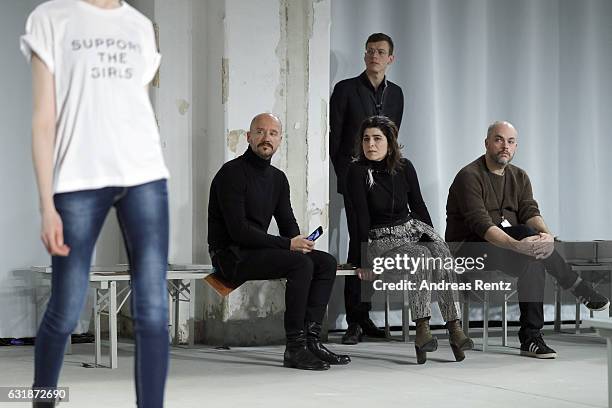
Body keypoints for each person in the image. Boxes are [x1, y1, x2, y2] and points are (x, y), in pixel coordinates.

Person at [21, 0, 170, 406]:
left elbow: (131, 107)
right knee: (67, 309)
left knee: (155, 311)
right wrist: (46, 203)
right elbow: (42, 118)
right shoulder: (51, 18)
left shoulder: (138, 25)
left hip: (145, 174)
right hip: (77, 177)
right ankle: (43, 400)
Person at [446, 120, 610, 359]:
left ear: (515, 146)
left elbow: (530, 212)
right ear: (487, 143)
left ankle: (531, 337)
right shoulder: (469, 176)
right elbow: (481, 225)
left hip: (507, 248)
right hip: (468, 250)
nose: (505, 146)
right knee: (525, 237)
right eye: (499, 139)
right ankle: (578, 286)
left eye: (511, 142)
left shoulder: (519, 176)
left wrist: (546, 236)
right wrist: (518, 244)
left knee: (534, 256)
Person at [208, 113, 350, 371]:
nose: (266, 138)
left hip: (257, 251)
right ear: (248, 137)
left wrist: (301, 243)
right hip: (230, 255)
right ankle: (295, 348)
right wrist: (288, 246)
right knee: (300, 265)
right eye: (260, 132)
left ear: (280, 140)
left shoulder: (277, 178)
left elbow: (288, 225)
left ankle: (312, 340)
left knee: (325, 262)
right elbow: (238, 231)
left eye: (273, 133)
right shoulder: (232, 173)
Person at [346, 116, 473, 364]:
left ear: (390, 143)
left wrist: (434, 238)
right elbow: (358, 219)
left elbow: (418, 206)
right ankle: (423, 329)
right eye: (366, 139)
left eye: (377, 139)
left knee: (439, 251)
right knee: (420, 257)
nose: (370, 144)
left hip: (411, 229)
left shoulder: (405, 167)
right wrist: (361, 261)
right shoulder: (357, 172)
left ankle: (455, 327)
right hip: (380, 239)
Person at [330, 32, 404, 344]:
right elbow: (334, 140)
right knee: (357, 244)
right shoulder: (346, 89)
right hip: (354, 178)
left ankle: (366, 315)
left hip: (383, 181)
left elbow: (393, 141)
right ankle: (354, 320)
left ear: (390, 59)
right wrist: (345, 178)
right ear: (364, 56)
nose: (374, 56)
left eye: (380, 51)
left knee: (377, 242)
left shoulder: (397, 94)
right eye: (370, 51)